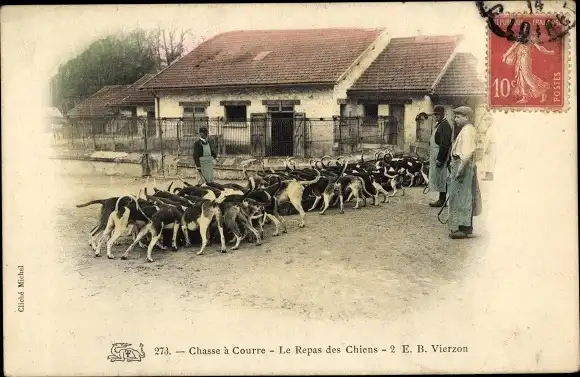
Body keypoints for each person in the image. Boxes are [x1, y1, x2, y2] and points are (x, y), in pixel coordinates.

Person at [447, 106, 482, 239]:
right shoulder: (465, 130)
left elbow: (466, 154)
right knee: (461, 197)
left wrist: (459, 171)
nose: (455, 119)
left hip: (464, 167)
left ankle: (466, 228)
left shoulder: (468, 131)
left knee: (464, 197)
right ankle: (463, 226)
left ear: (467, 118)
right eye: (455, 116)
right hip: (460, 165)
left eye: (458, 117)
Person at [428, 105, 453, 207]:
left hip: (441, 156)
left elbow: (445, 144)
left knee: (442, 178)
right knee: (438, 178)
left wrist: (440, 159)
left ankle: (442, 200)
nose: (436, 116)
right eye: (435, 115)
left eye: (438, 114)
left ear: (443, 114)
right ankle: (441, 199)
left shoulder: (445, 126)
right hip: (435, 155)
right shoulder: (439, 125)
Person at [480, 116, 496, 181]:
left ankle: (489, 176)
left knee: (489, 161)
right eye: (485, 121)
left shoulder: (491, 129)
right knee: (487, 161)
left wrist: (486, 148)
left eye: (487, 120)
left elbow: (489, 140)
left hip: (490, 146)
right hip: (490, 145)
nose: (486, 122)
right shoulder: (490, 129)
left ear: (491, 121)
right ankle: (487, 175)